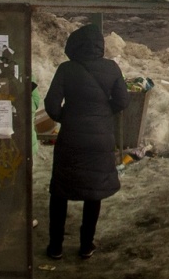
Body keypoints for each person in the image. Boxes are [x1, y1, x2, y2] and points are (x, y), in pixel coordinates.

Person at [43, 21, 128, 260]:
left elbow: (51, 104)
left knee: (60, 191)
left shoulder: (66, 69)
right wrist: (102, 115)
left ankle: (55, 246)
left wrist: (66, 118)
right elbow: (123, 101)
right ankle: (86, 245)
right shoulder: (111, 68)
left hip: (71, 137)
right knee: (94, 191)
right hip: (100, 140)